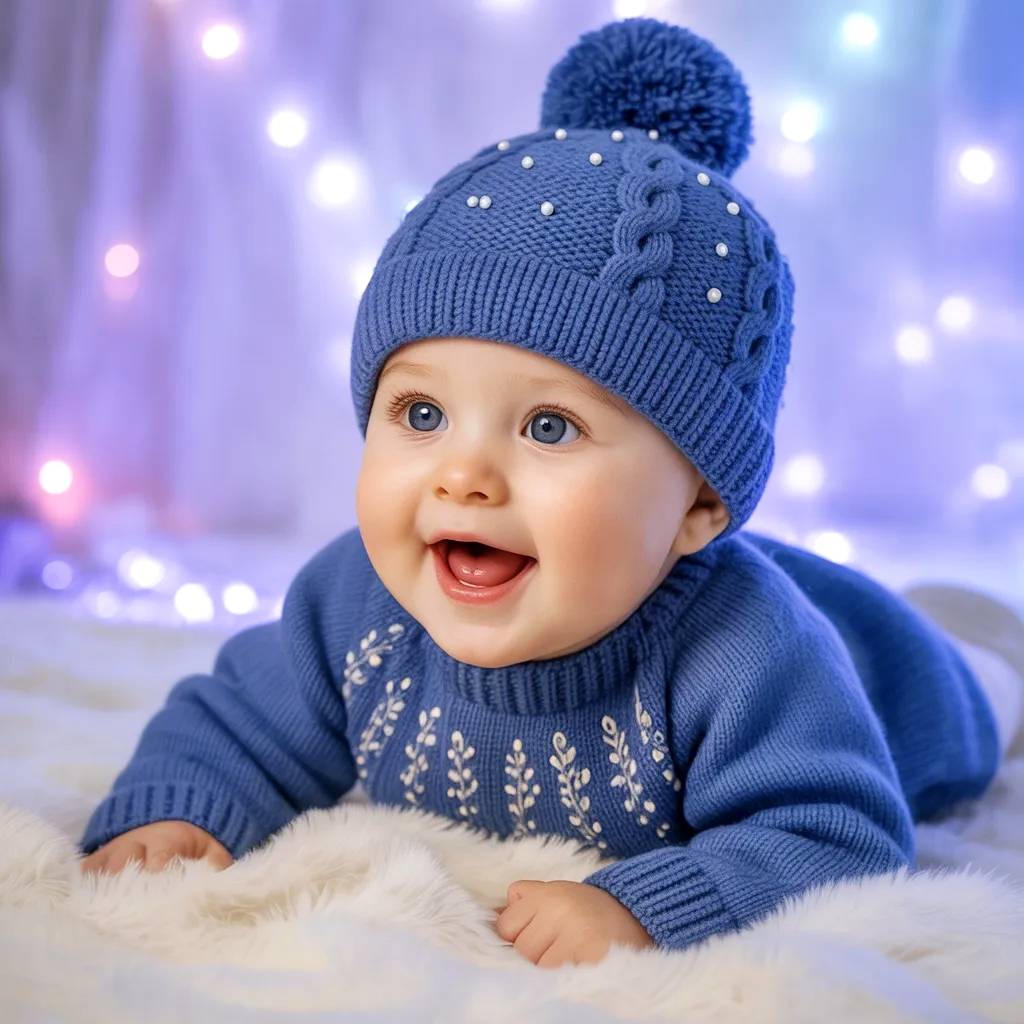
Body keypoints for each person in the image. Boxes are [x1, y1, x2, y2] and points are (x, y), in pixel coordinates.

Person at [78, 18, 1024, 970]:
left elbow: (836, 835)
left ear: (700, 503)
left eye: (548, 428)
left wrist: (651, 907)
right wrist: (181, 807)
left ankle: (987, 644)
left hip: (891, 673)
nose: (464, 476)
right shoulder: (352, 610)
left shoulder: (748, 655)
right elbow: (238, 721)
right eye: (421, 413)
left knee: (981, 691)